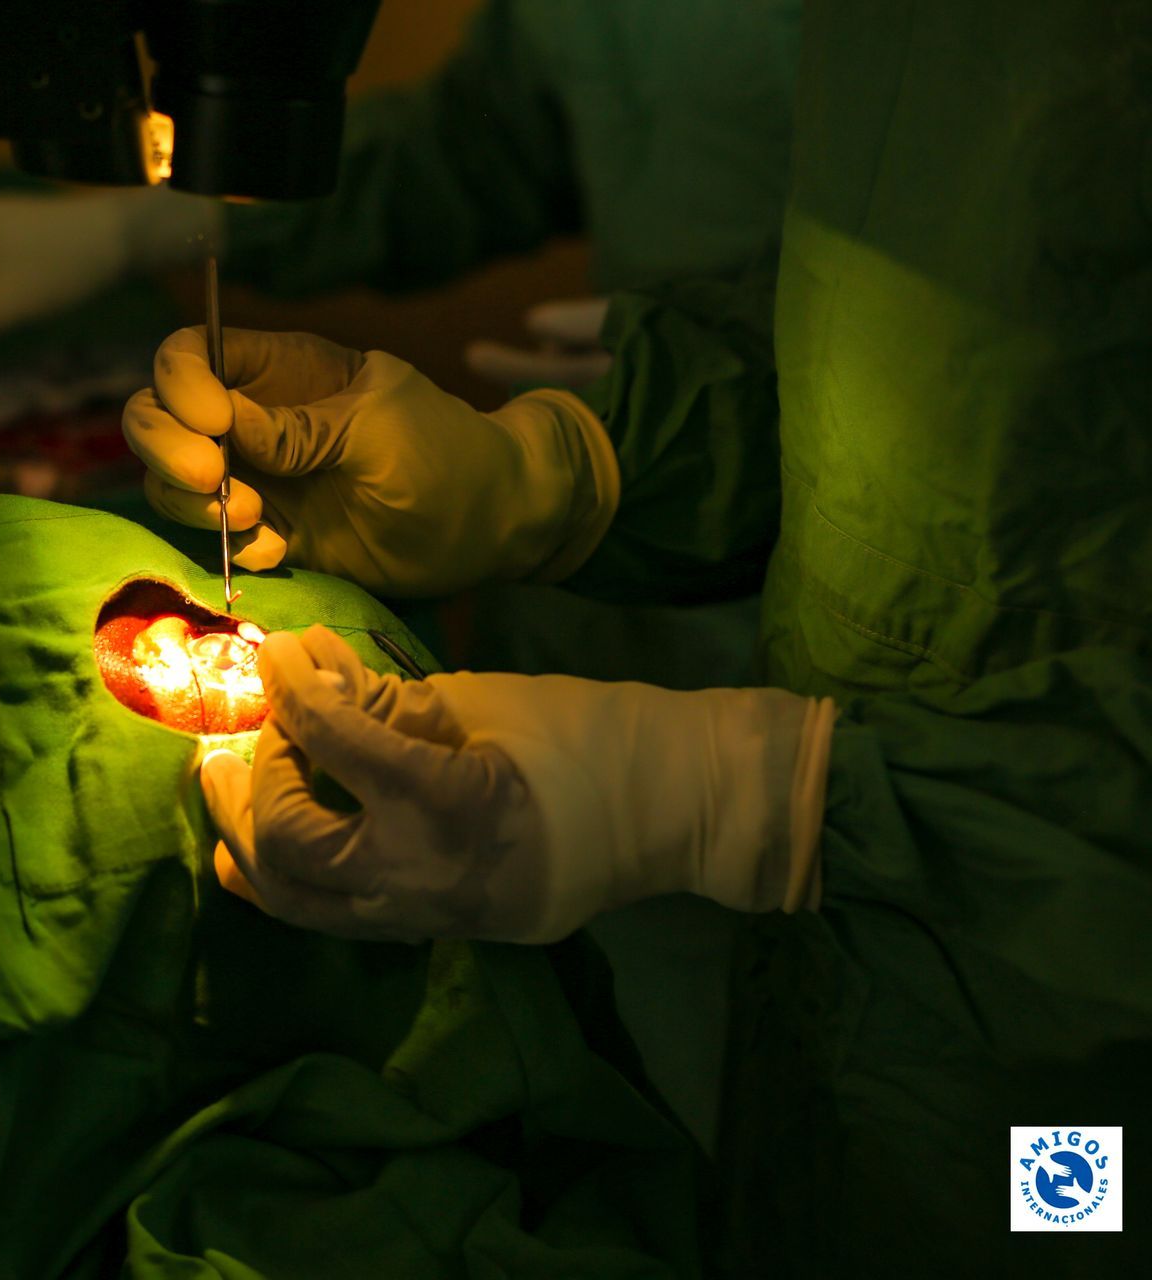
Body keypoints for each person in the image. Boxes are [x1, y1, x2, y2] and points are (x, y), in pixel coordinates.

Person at [124, 0, 1152, 1270]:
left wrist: (758, 797)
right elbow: (970, 332)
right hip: (866, 1021)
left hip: (1089, 1050)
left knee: (1063, 1220)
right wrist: (563, 469)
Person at [0, 0, 803, 374]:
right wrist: (142, 227)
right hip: (611, 600)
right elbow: (478, 154)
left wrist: (735, 394)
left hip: (842, 591)